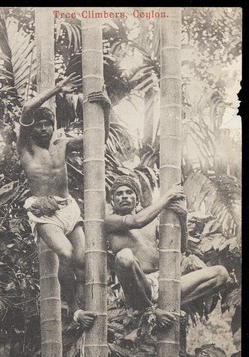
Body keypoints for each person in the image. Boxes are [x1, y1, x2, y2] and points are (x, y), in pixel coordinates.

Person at [17, 73, 110, 328]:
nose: (44, 129)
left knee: (82, 261)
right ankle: (74, 309)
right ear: (32, 128)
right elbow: (27, 108)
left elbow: (98, 140)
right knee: (66, 253)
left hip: (68, 207)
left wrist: (106, 107)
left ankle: (82, 311)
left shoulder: (62, 144)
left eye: (48, 124)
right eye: (39, 125)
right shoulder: (26, 149)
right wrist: (57, 88)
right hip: (44, 213)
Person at [105, 175, 229, 328]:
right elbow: (137, 221)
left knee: (221, 274)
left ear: (136, 199)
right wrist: (168, 196)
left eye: (129, 192)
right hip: (136, 289)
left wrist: (183, 218)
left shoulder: (153, 223)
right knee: (124, 256)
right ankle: (149, 310)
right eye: (119, 193)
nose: (124, 196)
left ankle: (170, 306)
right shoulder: (110, 221)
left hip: (162, 284)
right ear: (113, 200)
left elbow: (180, 249)